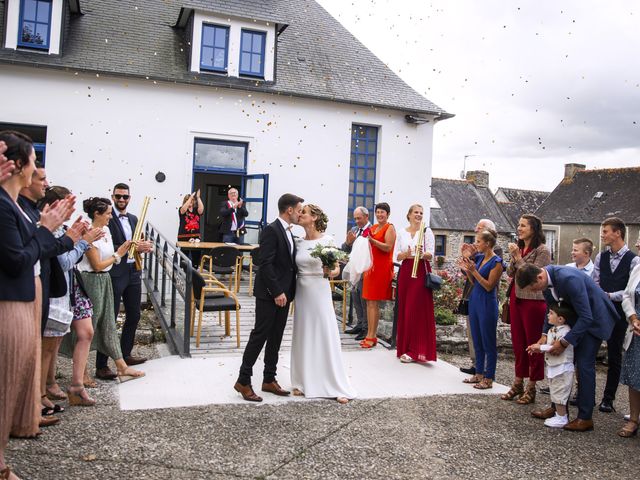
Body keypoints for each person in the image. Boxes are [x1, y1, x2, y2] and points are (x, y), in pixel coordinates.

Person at [0, 131, 71, 479]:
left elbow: (32, 245)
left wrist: (52, 230)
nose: (38, 169)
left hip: (23, 294)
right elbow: (17, 259)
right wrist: (47, 232)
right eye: (34, 161)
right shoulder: (4, 205)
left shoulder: (13, 205)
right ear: (19, 166)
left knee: (13, 378)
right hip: (9, 300)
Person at [516, 263, 617, 431]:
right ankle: (558, 409)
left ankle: (585, 417)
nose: (534, 292)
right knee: (561, 365)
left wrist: (563, 342)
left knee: (584, 365)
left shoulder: (569, 279)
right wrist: (544, 335)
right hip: (577, 320)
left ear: (540, 277)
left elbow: (587, 316)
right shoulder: (545, 281)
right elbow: (551, 308)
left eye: (533, 288)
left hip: (594, 321)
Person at [234, 193, 304, 402]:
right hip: (269, 294)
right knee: (260, 336)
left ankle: (269, 379)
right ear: (289, 210)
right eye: (299, 210)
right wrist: (277, 292)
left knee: (276, 337)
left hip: (285, 294)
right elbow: (265, 264)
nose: (300, 213)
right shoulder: (271, 231)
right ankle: (243, 380)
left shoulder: (290, 232)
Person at [41, 186, 102, 406]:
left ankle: (74, 386)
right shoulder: (50, 230)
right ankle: (45, 388)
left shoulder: (64, 229)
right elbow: (64, 262)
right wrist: (83, 242)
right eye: (68, 203)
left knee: (84, 333)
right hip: (59, 290)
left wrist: (78, 238)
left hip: (73, 287)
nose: (71, 209)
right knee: (50, 343)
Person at [290, 204, 356, 403]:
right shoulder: (298, 243)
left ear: (315, 217)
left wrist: (331, 272)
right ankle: (302, 381)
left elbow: (335, 269)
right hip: (302, 291)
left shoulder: (328, 240)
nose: (300, 215)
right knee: (304, 334)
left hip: (319, 290)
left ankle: (334, 384)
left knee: (323, 332)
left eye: (304, 213)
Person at [77, 197, 144, 383]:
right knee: (91, 327)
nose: (110, 216)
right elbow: (97, 265)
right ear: (97, 214)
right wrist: (118, 254)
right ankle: (82, 372)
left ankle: (122, 366)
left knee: (108, 324)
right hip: (92, 281)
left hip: (105, 279)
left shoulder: (105, 229)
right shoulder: (89, 233)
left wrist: (129, 249)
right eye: (107, 213)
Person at [95, 183, 153, 376]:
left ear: (129, 198)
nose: (121, 200)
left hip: (133, 271)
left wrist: (145, 245)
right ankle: (102, 366)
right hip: (115, 271)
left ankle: (125, 354)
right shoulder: (108, 218)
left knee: (134, 315)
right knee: (109, 317)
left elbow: (137, 240)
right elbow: (110, 244)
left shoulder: (134, 218)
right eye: (118, 196)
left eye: (125, 197)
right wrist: (134, 248)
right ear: (113, 197)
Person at [501, 214, 551, 405]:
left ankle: (532, 386)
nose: (519, 228)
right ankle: (518, 381)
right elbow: (510, 273)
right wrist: (515, 257)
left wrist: (517, 257)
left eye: (523, 226)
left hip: (533, 301)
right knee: (518, 343)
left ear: (533, 229)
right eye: (518, 225)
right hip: (517, 298)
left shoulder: (542, 250)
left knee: (533, 344)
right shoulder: (521, 247)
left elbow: (534, 276)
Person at [592, 217, 639, 413]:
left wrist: (609, 295)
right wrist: (599, 295)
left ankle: (608, 398)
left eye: (605, 231)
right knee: (589, 352)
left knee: (614, 356)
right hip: (601, 311)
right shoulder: (600, 257)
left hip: (621, 313)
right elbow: (594, 281)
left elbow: (630, 290)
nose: (602, 235)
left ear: (617, 233)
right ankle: (584, 394)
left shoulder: (634, 260)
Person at [459, 218, 503, 375]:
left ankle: (488, 375)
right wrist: (467, 263)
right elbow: (470, 278)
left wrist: (473, 270)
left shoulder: (496, 258)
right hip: (474, 299)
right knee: (476, 338)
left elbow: (489, 285)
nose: (476, 243)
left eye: (479, 240)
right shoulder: (478, 257)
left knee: (487, 340)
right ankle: (478, 371)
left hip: (487, 300)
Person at [395, 204, 436, 363]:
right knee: (405, 308)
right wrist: (405, 254)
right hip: (405, 270)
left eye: (421, 213)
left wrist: (421, 253)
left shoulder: (426, 231)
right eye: (416, 212)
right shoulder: (401, 232)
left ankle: (415, 350)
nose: (419, 215)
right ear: (409, 214)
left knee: (415, 308)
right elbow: (396, 256)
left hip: (419, 271)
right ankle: (404, 347)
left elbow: (431, 255)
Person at [526, 302, 576, 428]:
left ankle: (562, 417)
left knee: (560, 393)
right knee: (555, 391)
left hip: (562, 367)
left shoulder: (565, 331)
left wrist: (540, 347)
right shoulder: (551, 330)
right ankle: (559, 415)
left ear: (560, 318)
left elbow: (554, 347)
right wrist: (538, 348)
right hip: (554, 367)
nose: (548, 315)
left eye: (551, 313)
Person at [361, 202, 396, 349]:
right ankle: (369, 334)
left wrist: (372, 241)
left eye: (382, 212)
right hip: (370, 268)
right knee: (369, 302)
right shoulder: (373, 228)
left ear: (387, 214)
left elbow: (388, 247)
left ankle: (372, 335)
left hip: (381, 268)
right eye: (378, 212)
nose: (380, 214)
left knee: (374, 302)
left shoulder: (390, 228)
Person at [341, 206, 371, 341]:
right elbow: (344, 249)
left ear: (366, 217)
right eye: (355, 218)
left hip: (366, 270)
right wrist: (348, 242)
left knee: (364, 299)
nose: (357, 221)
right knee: (355, 298)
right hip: (354, 270)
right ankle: (359, 324)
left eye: (359, 218)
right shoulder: (353, 230)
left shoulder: (372, 230)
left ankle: (366, 328)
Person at [619, 262, 640, 437]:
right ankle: (634, 419)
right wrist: (633, 318)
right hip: (636, 331)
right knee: (635, 376)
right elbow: (626, 296)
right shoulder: (638, 267)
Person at [178, 190, 204, 268]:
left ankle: (194, 271)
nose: (190, 202)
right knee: (184, 256)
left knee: (196, 256)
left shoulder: (196, 210)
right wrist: (190, 198)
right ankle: (184, 272)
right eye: (188, 200)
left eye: (192, 200)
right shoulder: (182, 209)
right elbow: (183, 210)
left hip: (195, 236)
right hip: (184, 236)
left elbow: (201, 209)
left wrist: (198, 198)